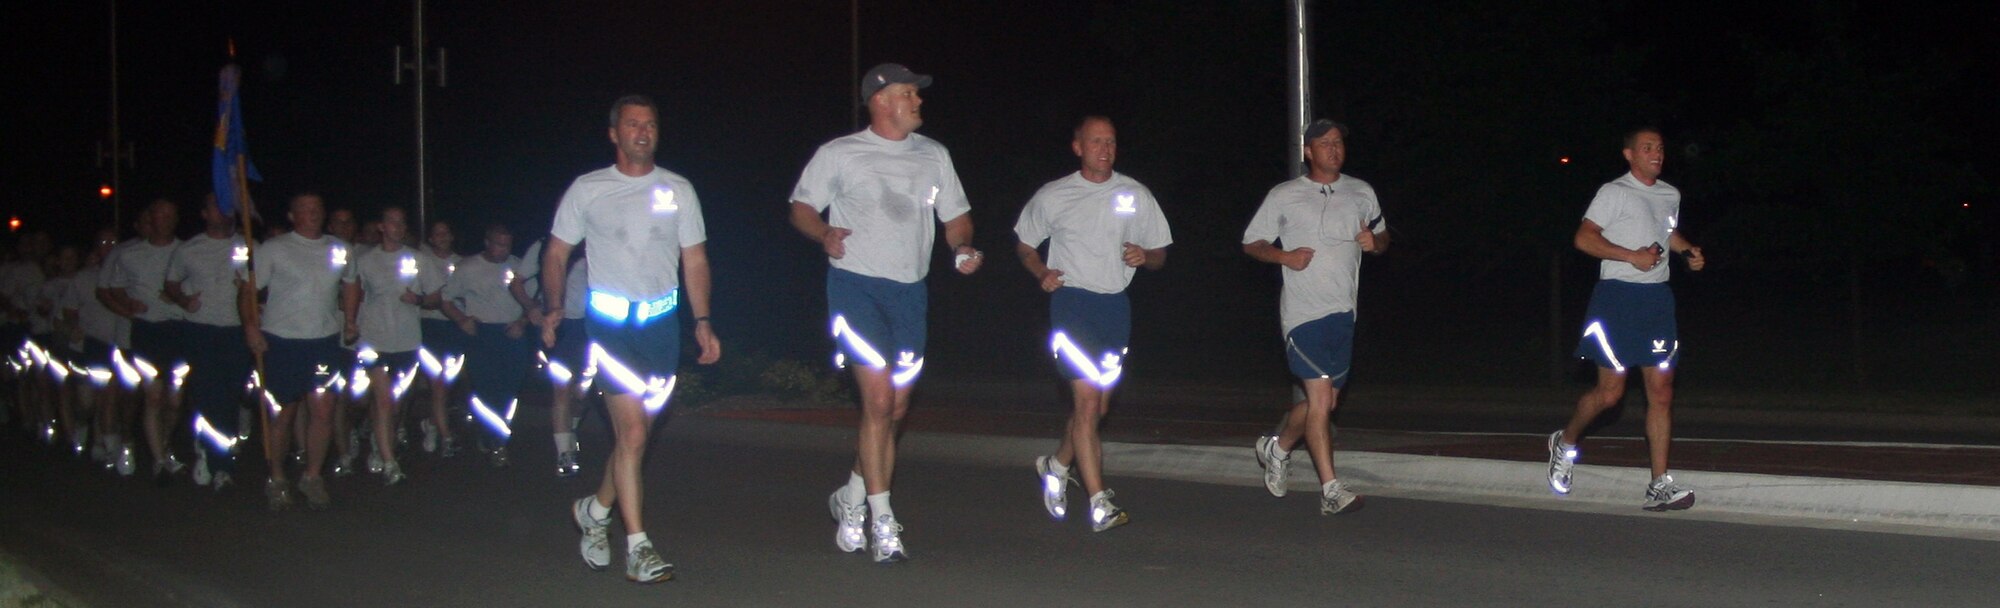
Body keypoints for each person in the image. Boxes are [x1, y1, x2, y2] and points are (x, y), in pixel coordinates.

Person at [789, 63, 981, 563]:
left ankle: (851, 495)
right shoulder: (840, 154)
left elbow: (957, 217)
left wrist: (961, 248)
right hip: (856, 287)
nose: (918, 101)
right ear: (880, 100)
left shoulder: (934, 156)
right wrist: (823, 233)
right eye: (909, 93)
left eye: (918, 94)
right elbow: (802, 208)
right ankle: (883, 520)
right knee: (877, 403)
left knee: (893, 410)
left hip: (909, 294)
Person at [548, 94, 719, 583]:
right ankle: (638, 548)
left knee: (632, 440)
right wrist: (556, 306)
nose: (642, 131)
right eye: (632, 124)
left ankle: (595, 511)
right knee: (635, 435)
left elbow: (696, 259)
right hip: (610, 327)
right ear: (614, 133)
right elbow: (557, 253)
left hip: (662, 329)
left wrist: (702, 321)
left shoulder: (678, 189)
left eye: (650, 124)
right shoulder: (589, 189)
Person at [1016, 116, 1170, 532]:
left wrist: (1145, 255)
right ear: (1078, 146)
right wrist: (1041, 273)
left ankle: (1056, 464)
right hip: (1072, 303)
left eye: (1111, 142)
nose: (1105, 148)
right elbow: (1025, 244)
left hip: (1115, 306)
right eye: (1096, 141)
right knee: (1086, 404)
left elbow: (1159, 252)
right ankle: (1100, 501)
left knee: (1097, 407)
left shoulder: (1134, 193)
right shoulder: (1055, 194)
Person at [1546, 127, 1706, 511]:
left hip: (1657, 301)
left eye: (1661, 148)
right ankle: (1565, 442)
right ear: (1630, 155)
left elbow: (1667, 232)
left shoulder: (1670, 195)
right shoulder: (1613, 192)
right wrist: (1630, 256)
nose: (1657, 153)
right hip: (1617, 298)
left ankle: (1658, 484)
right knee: (1611, 394)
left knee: (1662, 391)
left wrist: (1687, 252)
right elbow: (1584, 239)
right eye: (1647, 148)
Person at [1243, 119, 1389, 516]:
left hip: (1344, 312)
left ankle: (1278, 448)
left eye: (1338, 142)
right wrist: (1284, 256)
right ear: (1308, 151)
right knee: (1322, 400)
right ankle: (1330, 490)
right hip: (1304, 314)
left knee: (1323, 402)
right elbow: (1252, 242)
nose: (1333, 148)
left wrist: (1374, 243)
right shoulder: (1285, 195)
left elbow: (1382, 236)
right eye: (1324, 143)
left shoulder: (1361, 191)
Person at [240, 192, 350, 510]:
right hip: (282, 341)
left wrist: (352, 319)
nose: (311, 213)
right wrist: (251, 327)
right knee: (282, 413)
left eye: (316, 208)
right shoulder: (274, 249)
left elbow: (351, 282)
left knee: (323, 411)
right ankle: (276, 478)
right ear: (291, 215)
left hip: (324, 340)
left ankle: (312, 476)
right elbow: (249, 290)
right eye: (303, 209)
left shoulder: (338, 248)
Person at [164, 195, 252, 490]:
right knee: (205, 393)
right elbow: (171, 284)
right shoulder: (189, 249)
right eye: (216, 205)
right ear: (204, 213)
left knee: (230, 396)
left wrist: (253, 293)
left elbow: (262, 283)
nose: (223, 210)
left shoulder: (247, 244)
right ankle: (214, 458)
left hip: (236, 330)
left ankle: (220, 452)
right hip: (200, 330)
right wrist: (183, 299)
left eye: (227, 205)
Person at [102, 199, 189, 483]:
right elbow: (107, 289)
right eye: (158, 214)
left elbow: (202, 287)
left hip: (178, 330)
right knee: (152, 396)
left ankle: (164, 447)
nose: (163, 219)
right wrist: (127, 307)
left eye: (169, 214)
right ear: (149, 218)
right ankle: (159, 460)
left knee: (174, 401)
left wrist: (178, 295)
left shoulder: (187, 250)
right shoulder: (129, 253)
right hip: (146, 331)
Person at [340, 206, 426, 485]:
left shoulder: (417, 259)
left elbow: (437, 297)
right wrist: (351, 322)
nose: (398, 227)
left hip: (406, 338)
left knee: (395, 404)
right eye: (392, 222)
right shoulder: (364, 259)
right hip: (373, 338)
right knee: (384, 400)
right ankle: (390, 461)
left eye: (402, 223)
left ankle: (380, 442)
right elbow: (352, 291)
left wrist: (420, 299)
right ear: (381, 227)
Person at [439, 223, 532, 468]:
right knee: (485, 389)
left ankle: (495, 432)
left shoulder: (518, 266)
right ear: (487, 242)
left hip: (511, 333)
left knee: (509, 389)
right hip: (482, 333)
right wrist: (462, 320)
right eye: (498, 243)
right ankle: (496, 441)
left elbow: (534, 302)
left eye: (507, 244)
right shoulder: (468, 267)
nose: (503, 250)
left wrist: (522, 322)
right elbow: (446, 300)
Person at [513, 236, 591, 477]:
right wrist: (532, 308)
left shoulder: (597, 240)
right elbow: (517, 283)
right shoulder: (544, 246)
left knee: (582, 391)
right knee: (561, 387)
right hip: (558, 326)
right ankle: (564, 452)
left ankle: (571, 430)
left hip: (590, 326)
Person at [413, 221, 463, 457]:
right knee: (438, 383)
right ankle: (445, 436)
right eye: (437, 233)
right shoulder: (421, 259)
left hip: (453, 327)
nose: (441, 237)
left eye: (446, 232)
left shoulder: (461, 263)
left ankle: (432, 422)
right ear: (430, 238)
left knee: (449, 382)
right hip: (430, 325)